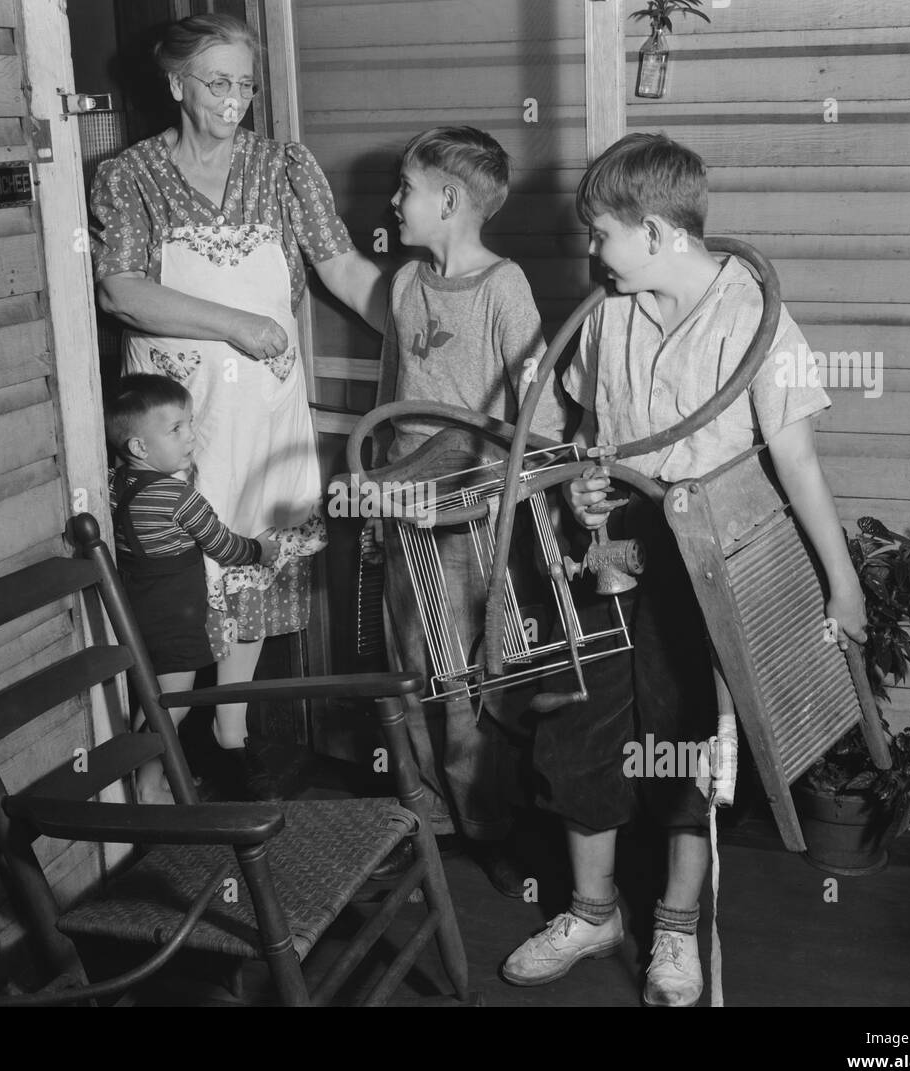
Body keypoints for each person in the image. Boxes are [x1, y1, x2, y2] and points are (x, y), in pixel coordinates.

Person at [501, 133, 868, 1005]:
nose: (593, 251)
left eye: (602, 234)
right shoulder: (608, 315)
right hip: (614, 549)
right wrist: (581, 491)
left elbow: (798, 464)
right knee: (578, 731)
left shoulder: (758, 321)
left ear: (657, 232)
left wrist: (843, 581)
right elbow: (586, 439)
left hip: (706, 561)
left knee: (685, 746)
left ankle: (674, 928)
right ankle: (592, 914)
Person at [89, 14, 386, 783]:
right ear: (175, 83)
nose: (233, 98)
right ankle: (156, 759)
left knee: (252, 561)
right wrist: (238, 324)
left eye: (245, 84)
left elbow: (343, 267)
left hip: (263, 411)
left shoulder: (284, 166)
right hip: (179, 421)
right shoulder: (130, 176)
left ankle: (230, 735)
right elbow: (121, 291)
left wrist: (421, 325)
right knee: (182, 587)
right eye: (217, 80)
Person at [366, 126, 566, 896]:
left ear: (448, 200)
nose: (393, 202)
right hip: (405, 507)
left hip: (473, 521)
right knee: (409, 666)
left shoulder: (503, 287)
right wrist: (378, 491)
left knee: (473, 678)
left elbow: (540, 417)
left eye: (406, 188)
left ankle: (489, 824)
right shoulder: (404, 283)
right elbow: (389, 400)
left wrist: (508, 501)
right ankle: (426, 820)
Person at [104, 375, 279, 803]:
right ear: (139, 447)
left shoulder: (115, 483)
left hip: (139, 609)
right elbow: (224, 546)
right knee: (170, 705)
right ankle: (146, 787)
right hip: (174, 621)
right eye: (176, 429)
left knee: (156, 699)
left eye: (190, 423)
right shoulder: (179, 497)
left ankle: (153, 780)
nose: (190, 436)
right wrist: (260, 549)